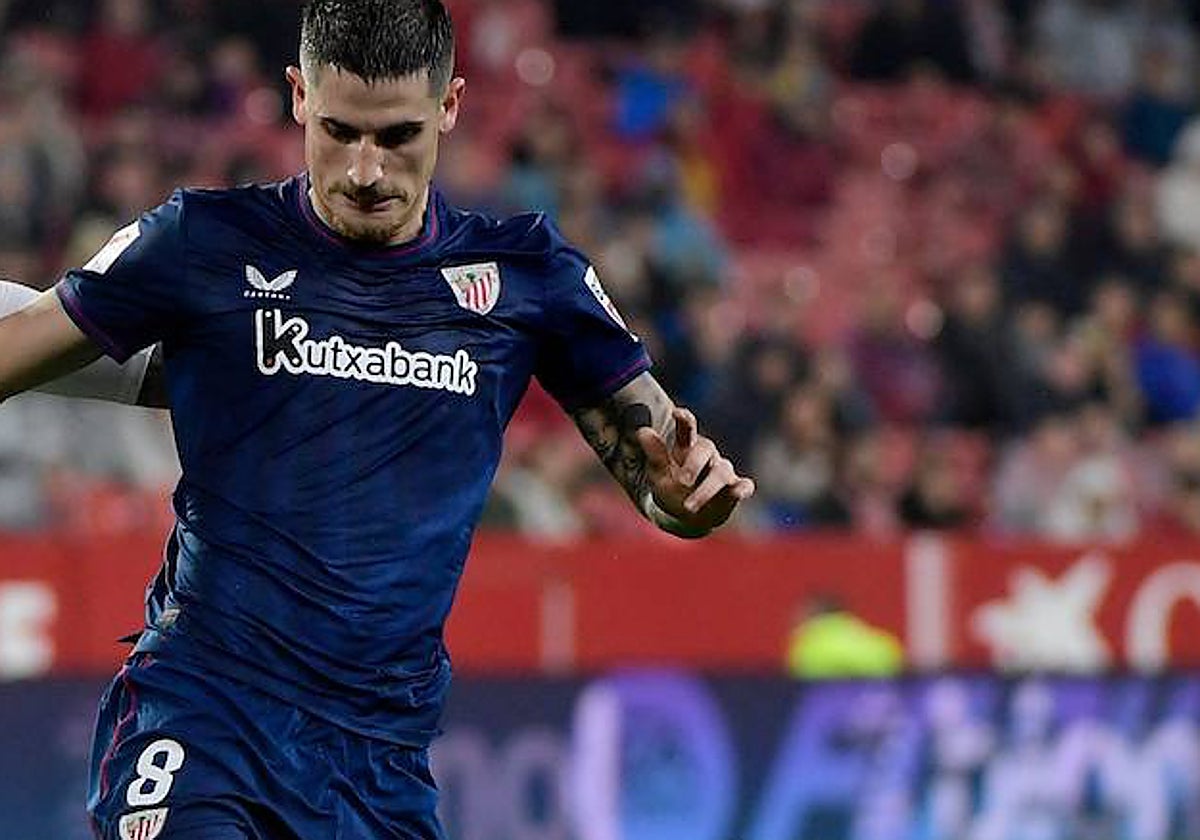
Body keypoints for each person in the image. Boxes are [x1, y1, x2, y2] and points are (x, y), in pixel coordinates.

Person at [0, 2, 755, 837]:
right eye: (340, 131)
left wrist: (682, 502)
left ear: (450, 107)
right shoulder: (201, 242)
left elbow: (658, 468)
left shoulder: (528, 277)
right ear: (298, 95)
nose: (365, 171)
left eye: (397, 137)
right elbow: (17, 343)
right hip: (202, 714)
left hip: (380, 765)